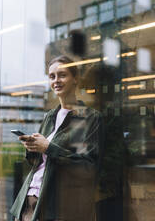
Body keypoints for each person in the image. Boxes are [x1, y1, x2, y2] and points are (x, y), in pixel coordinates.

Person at [10, 55, 104, 221]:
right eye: (52, 76)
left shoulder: (90, 118)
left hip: (59, 206)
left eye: (62, 75)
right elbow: (37, 163)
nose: (56, 81)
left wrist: (48, 147)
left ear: (75, 79)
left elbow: (88, 168)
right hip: (30, 200)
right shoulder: (50, 116)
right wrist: (33, 149)